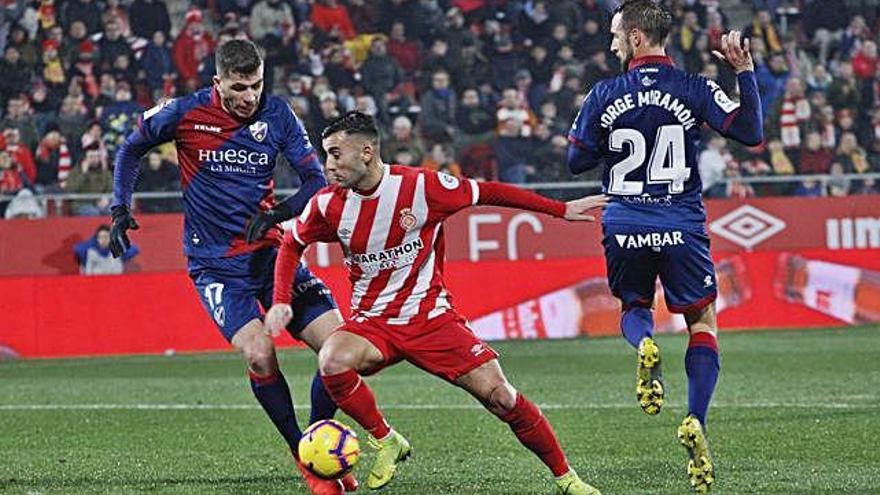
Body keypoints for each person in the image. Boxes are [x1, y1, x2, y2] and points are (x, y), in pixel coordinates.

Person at [265, 111, 607, 495]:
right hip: (373, 323)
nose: (328, 165)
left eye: (335, 154)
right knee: (331, 359)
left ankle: (566, 478)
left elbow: (490, 191)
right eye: (325, 155)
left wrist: (560, 209)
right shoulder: (327, 205)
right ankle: (387, 439)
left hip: (431, 320)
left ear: (366, 152)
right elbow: (292, 244)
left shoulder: (422, 188)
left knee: (501, 397)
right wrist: (281, 301)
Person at [109, 39, 356, 495]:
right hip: (216, 266)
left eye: (256, 86)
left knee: (340, 349)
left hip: (272, 255)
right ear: (218, 82)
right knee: (260, 353)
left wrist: (277, 214)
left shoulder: (277, 113)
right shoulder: (184, 113)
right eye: (239, 87)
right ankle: (303, 455)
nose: (249, 97)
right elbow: (130, 148)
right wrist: (119, 208)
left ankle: (317, 445)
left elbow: (314, 180)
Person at [566, 1, 763, 492]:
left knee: (633, 304)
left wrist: (609, 141)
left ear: (635, 38)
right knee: (701, 321)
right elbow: (751, 133)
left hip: (625, 220)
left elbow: (575, 160)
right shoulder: (695, 87)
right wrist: (745, 74)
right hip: (682, 222)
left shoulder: (603, 92)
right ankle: (696, 418)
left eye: (616, 34)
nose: (611, 43)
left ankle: (645, 342)